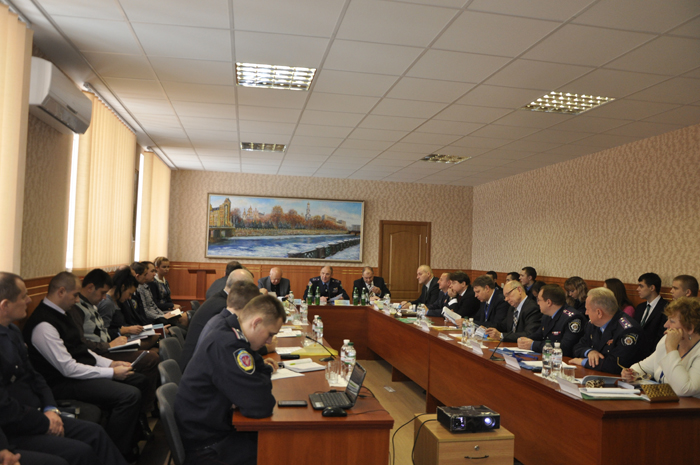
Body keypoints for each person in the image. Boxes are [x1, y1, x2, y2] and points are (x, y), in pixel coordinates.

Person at [0, 272, 128, 465]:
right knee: (80, 452)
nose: (29, 300)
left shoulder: (13, 331)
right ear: (5, 306)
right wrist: (45, 421)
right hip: (18, 426)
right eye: (23, 296)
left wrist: (51, 408)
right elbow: (6, 408)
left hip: (39, 411)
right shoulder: (42, 324)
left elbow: (35, 376)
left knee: (95, 433)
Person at [175, 295, 285, 465]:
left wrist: (251, 390)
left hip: (211, 431)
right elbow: (261, 405)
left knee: (278, 443)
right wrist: (253, 391)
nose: (270, 341)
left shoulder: (233, 334)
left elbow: (260, 372)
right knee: (280, 452)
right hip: (207, 446)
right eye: (270, 334)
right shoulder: (228, 344)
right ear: (256, 323)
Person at [66, 269, 159, 436]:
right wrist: (109, 345)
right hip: (100, 352)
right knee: (150, 358)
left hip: (107, 347)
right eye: (102, 293)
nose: (104, 297)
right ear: (90, 287)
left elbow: (102, 330)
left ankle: (142, 415)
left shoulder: (90, 305)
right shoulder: (77, 309)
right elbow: (82, 344)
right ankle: (143, 415)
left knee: (149, 355)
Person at [622, 297, 700, 398]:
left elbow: (683, 389)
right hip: (664, 403)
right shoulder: (666, 340)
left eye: (672, 321)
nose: (666, 325)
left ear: (690, 328)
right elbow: (641, 368)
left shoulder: (673, 344)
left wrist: (671, 349)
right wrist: (630, 374)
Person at [181, 269, 255, 370]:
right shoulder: (224, 308)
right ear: (240, 289)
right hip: (194, 367)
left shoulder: (219, 299)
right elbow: (234, 344)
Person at [571, 287, 645, 374]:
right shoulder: (593, 324)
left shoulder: (628, 330)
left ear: (599, 313)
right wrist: (589, 352)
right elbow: (577, 347)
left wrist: (583, 362)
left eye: (587, 309)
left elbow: (616, 366)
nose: (586, 313)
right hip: (597, 374)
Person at [517, 285, 584, 357]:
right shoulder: (547, 316)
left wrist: (533, 345)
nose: (537, 303)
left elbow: (565, 347)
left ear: (549, 302)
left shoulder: (572, 318)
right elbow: (539, 335)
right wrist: (525, 340)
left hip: (563, 360)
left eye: (539, 300)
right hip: (549, 357)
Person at [132, 261, 185, 327]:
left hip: (157, 315)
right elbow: (145, 311)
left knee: (182, 317)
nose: (154, 274)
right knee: (181, 320)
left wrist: (163, 315)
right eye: (152, 271)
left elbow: (154, 305)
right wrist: (161, 316)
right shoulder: (139, 288)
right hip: (151, 319)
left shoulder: (146, 286)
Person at [633, 272, 669, 358]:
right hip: (635, 352)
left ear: (652, 288)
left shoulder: (667, 308)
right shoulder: (640, 307)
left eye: (641, 286)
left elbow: (662, 336)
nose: (637, 289)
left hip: (653, 354)